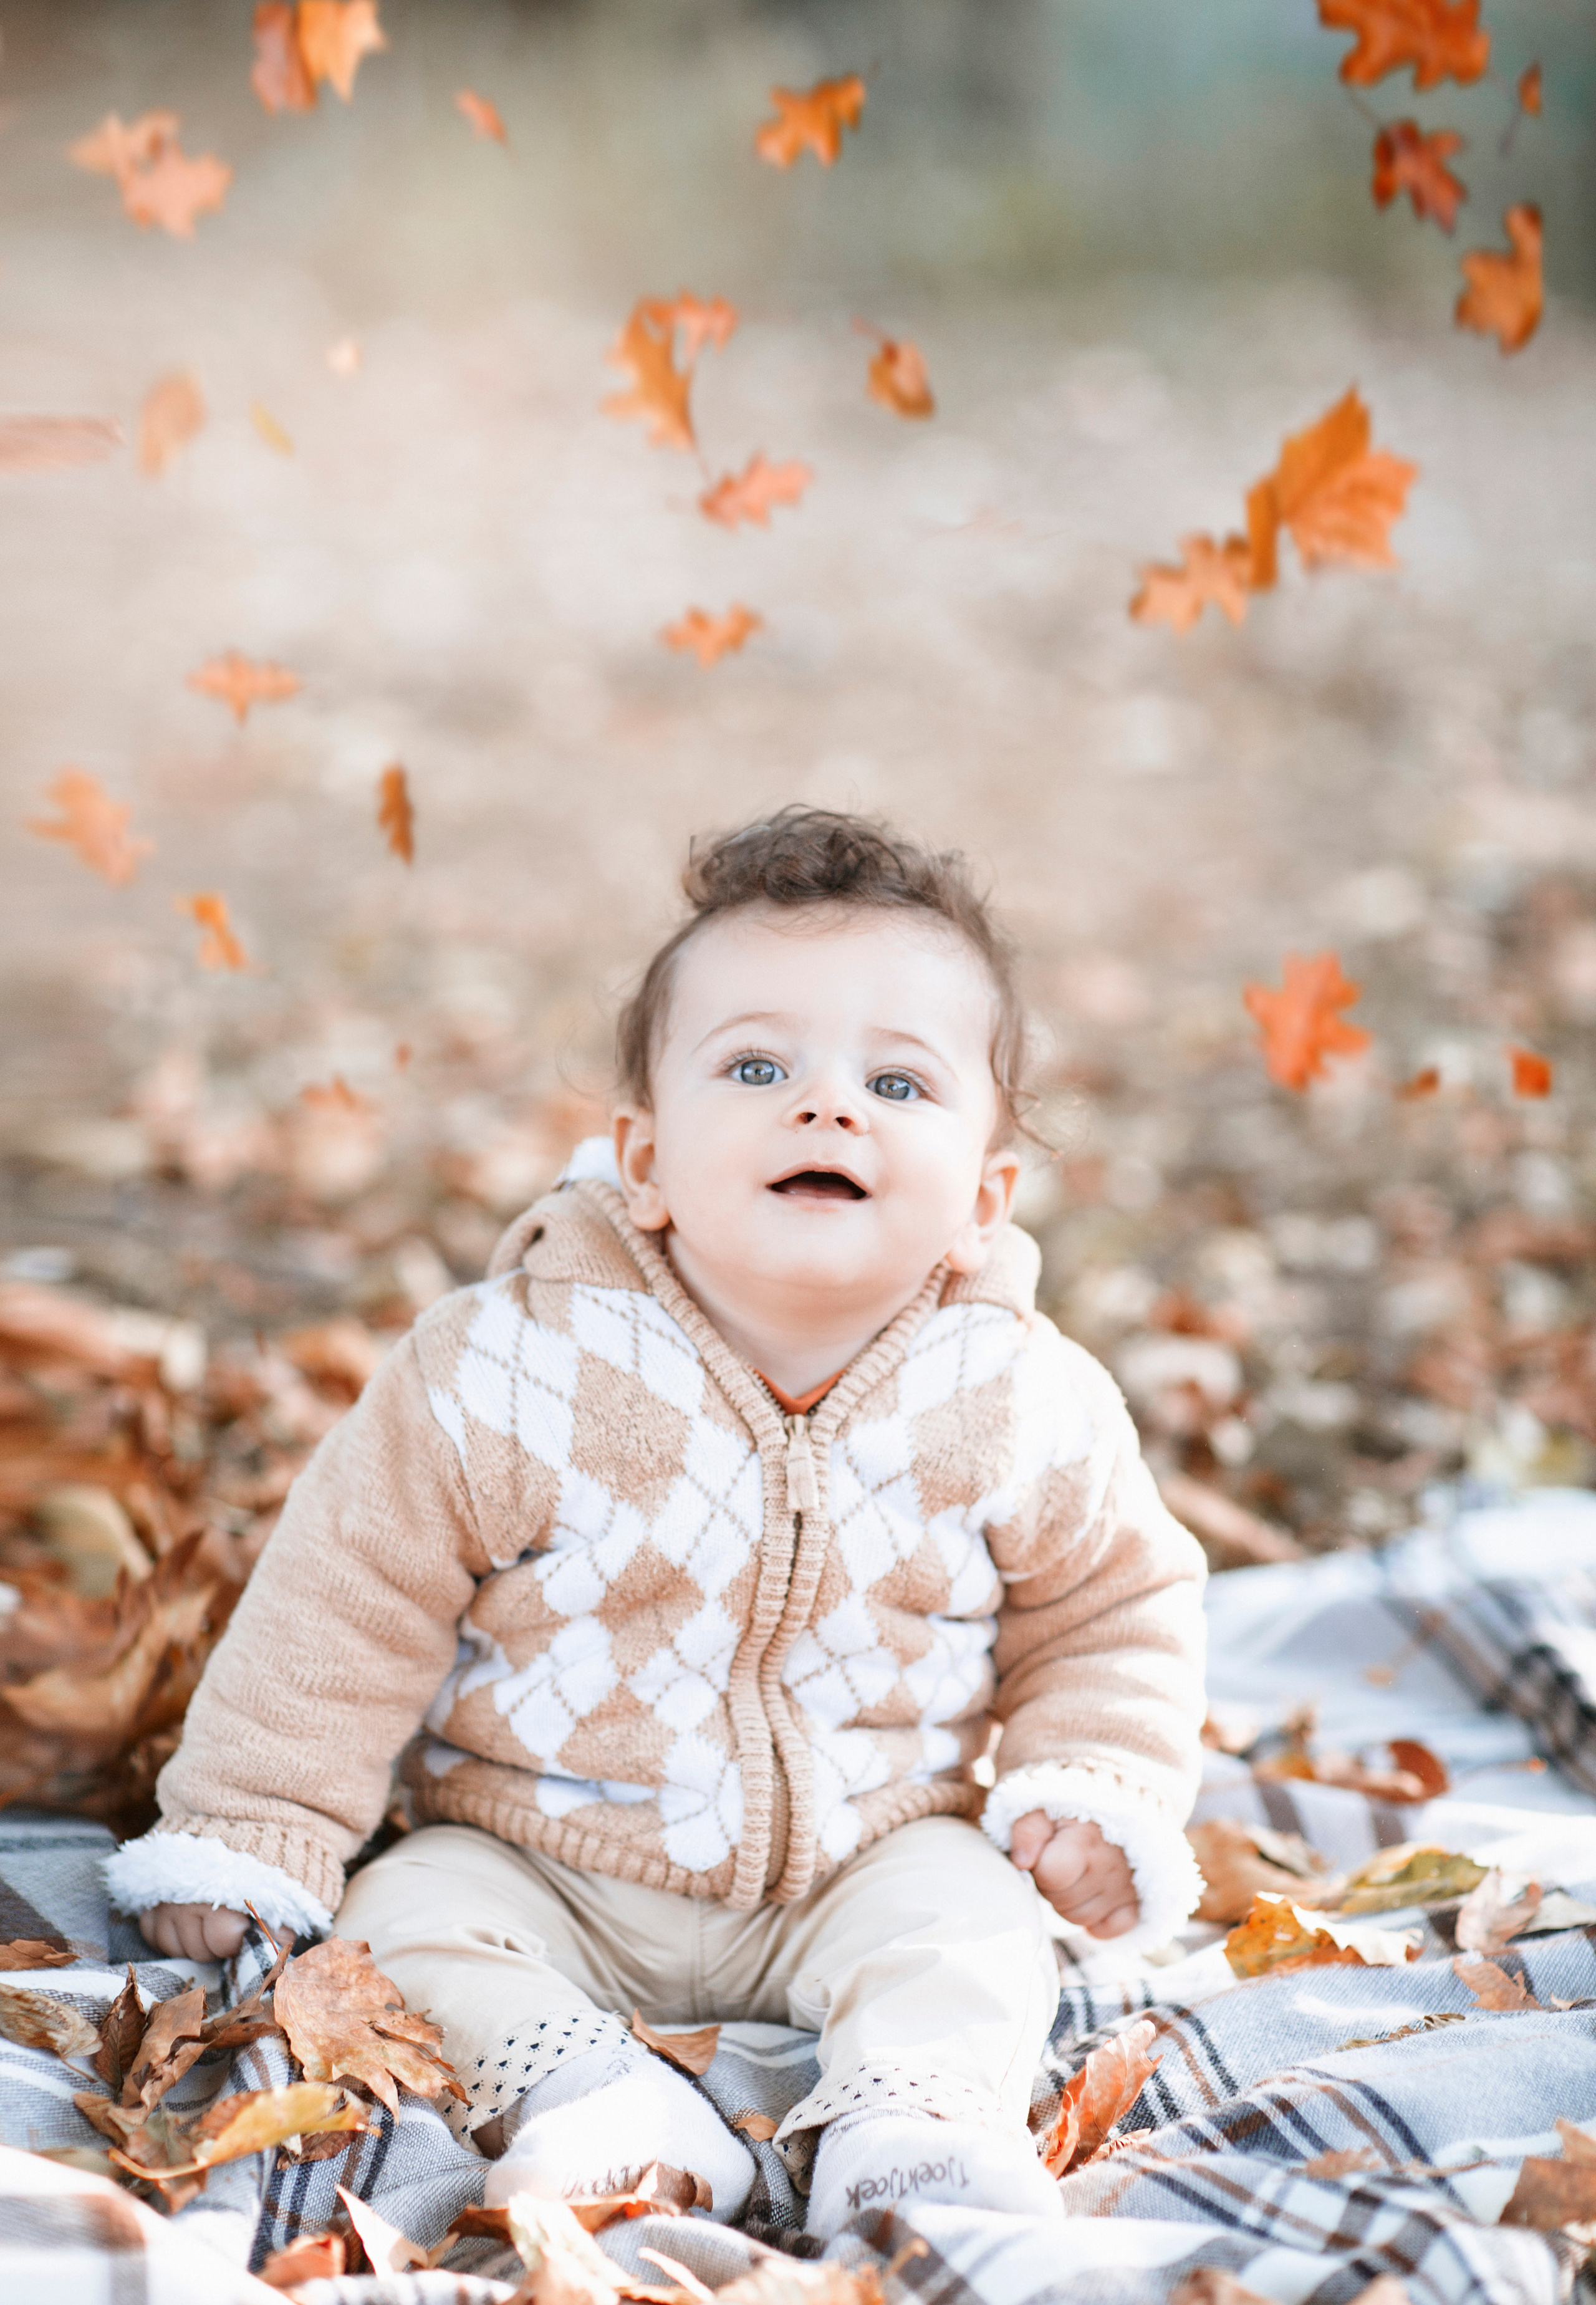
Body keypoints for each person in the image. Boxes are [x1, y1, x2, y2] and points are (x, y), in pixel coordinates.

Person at [106, 807, 1206, 2237]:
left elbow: (1113, 1607)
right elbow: (346, 1591)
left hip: (866, 1848)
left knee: (984, 1932)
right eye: (756, 1065)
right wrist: (255, 1819)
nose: (827, 1107)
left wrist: (1092, 1780)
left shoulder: (1015, 1397)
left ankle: (915, 2120)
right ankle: (585, 2097)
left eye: (896, 1080)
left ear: (982, 1199)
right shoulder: (510, 1366)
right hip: (538, 1844)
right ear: (640, 1158)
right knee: (400, 1922)